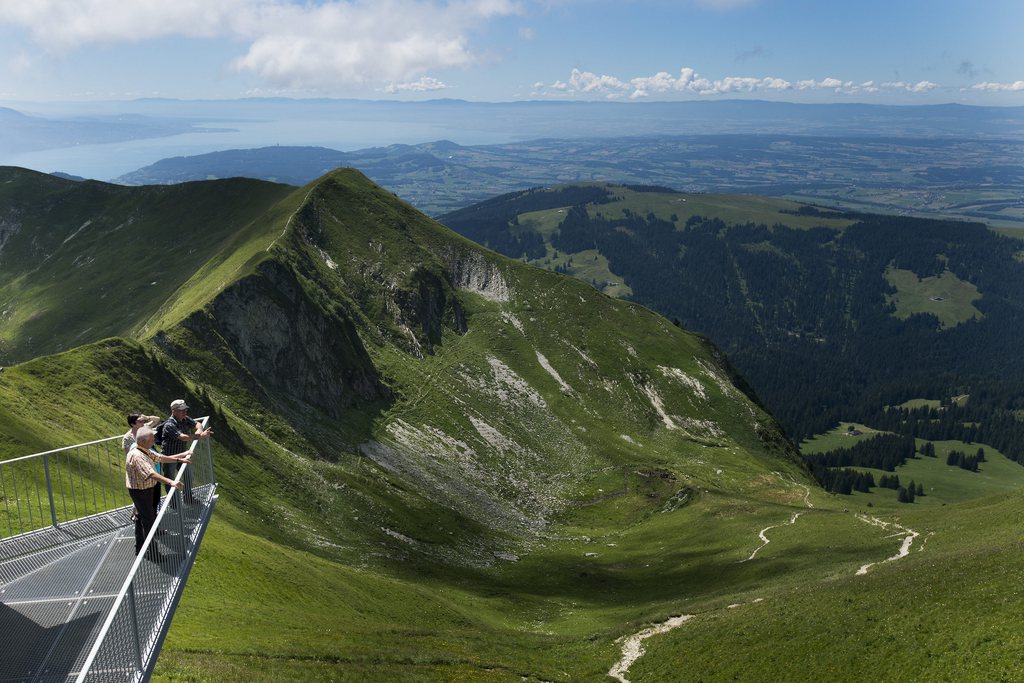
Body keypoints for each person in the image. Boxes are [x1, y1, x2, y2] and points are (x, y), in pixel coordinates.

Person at [126, 427, 190, 557]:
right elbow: (150, 473)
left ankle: (140, 548)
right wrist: (171, 482)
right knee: (149, 521)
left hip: (147, 489)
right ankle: (153, 553)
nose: (154, 439)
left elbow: (159, 458)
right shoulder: (137, 456)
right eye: (152, 438)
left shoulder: (143, 450)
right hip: (141, 491)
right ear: (144, 441)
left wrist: (179, 458)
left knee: (142, 518)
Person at [161, 399, 213, 505]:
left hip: (183, 454)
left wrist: (198, 431)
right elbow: (183, 437)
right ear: (174, 411)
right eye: (181, 410)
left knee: (189, 476)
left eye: (185, 410)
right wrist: (201, 435)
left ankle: (188, 498)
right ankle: (174, 503)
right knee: (170, 479)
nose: (184, 412)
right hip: (170, 456)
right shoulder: (169, 425)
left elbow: (197, 424)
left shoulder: (184, 419)